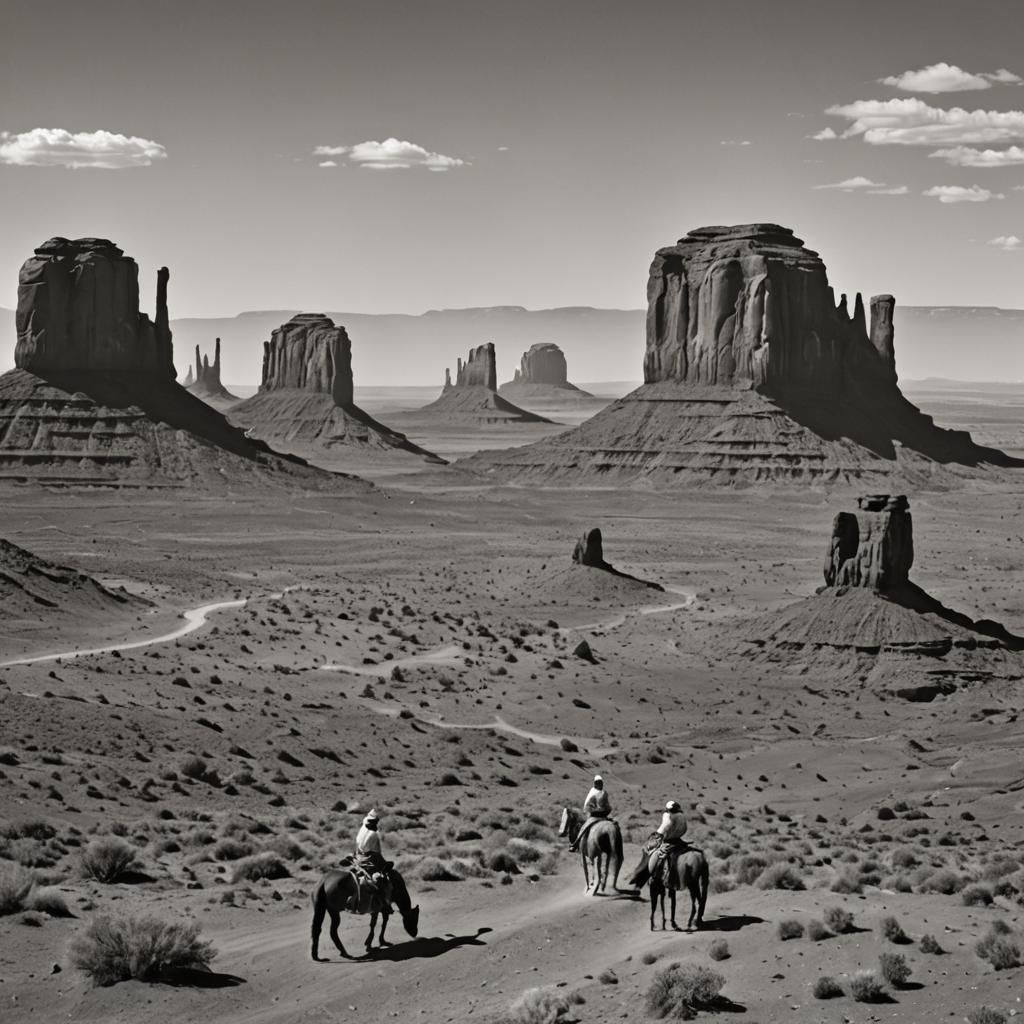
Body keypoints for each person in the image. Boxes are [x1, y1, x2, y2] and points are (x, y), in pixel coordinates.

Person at [355, 809, 393, 903]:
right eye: (374, 822)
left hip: (358, 856)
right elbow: (376, 852)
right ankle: (383, 902)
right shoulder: (374, 835)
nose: (375, 824)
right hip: (369, 858)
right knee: (383, 877)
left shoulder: (362, 829)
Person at [569, 775, 611, 852]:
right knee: (584, 828)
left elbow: (607, 805)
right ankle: (576, 843)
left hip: (603, 815)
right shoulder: (593, 792)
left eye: (601, 783)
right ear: (595, 784)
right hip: (594, 815)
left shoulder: (604, 793)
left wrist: (607, 810)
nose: (600, 784)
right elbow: (588, 806)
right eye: (598, 783)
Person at [651, 799, 688, 885]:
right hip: (679, 839)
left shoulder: (667, 815)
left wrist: (657, 834)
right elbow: (685, 828)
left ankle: (656, 875)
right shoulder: (681, 815)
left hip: (668, 841)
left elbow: (664, 827)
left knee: (656, 854)